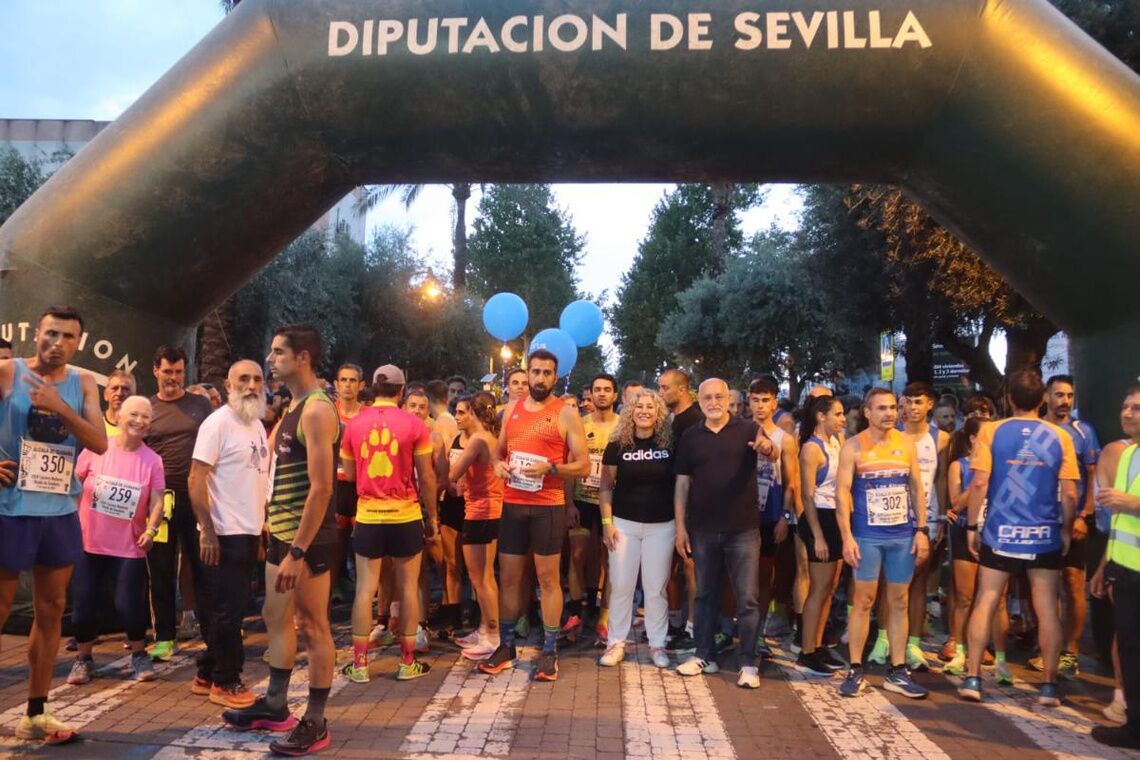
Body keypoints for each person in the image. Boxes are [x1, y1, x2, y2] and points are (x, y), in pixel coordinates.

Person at [222, 325, 339, 756]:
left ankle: (316, 720)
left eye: (278, 353)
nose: (270, 360)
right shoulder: (292, 406)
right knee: (276, 618)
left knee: (313, 626)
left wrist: (297, 551)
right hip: (282, 535)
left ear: (302, 357)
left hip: (306, 542)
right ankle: (275, 704)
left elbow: (323, 488)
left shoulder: (316, 411)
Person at [0, 305, 107, 744]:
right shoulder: (8, 372)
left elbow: (99, 442)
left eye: (66, 336)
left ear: (78, 342)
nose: (56, 342)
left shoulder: (82, 382)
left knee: (50, 610)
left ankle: (36, 713)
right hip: (11, 509)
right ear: (37, 334)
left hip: (59, 512)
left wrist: (59, 406)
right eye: (49, 333)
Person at [958, 368, 1078, 707]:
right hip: (1044, 535)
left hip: (1000, 533)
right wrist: (1066, 530)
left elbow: (979, 483)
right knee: (1046, 608)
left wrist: (971, 527)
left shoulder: (992, 432)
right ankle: (1049, 686)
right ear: (1042, 400)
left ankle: (971, 678)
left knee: (987, 600)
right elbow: (1069, 493)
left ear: (1008, 398)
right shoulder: (1060, 436)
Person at [478, 348, 590, 681]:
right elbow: (498, 453)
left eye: (546, 373)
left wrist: (552, 467)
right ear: (527, 373)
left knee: (548, 580)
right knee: (510, 579)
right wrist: (498, 466)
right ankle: (506, 646)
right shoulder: (511, 408)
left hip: (548, 507)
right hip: (513, 505)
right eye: (535, 371)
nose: (540, 378)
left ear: (555, 377)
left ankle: (549, 650)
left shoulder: (565, 413)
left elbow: (583, 465)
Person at [674, 378, 775, 689]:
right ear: (699, 400)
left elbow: (773, 451)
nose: (714, 402)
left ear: (729, 399)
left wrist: (768, 448)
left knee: (747, 598)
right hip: (702, 529)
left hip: (743, 530)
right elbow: (682, 483)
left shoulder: (747, 429)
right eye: (707, 397)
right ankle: (703, 653)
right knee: (704, 595)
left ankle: (748, 661)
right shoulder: (691, 436)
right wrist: (680, 527)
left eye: (719, 396)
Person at [341, 365, 438, 683]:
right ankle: (406, 662)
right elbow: (425, 476)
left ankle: (359, 665)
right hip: (405, 514)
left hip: (369, 514)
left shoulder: (354, 425)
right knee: (409, 589)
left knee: (364, 590)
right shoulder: (414, 424)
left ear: (371, 388)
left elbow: (351, 475)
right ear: (401, 390)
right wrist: (433, 518)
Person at [836, 388, 929, 699]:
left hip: (902, 536)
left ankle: (898, 670)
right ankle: (856, 669)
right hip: (867, 536)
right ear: (867, 412)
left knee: (899, 600)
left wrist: (922, 530)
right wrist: (846, 537)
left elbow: (916, 488)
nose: (889, 413)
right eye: (881, 408)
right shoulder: (853, 447)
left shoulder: (906, 444)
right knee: (864, 601)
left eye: (892, 407)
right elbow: (841, 495)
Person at [189, 361, 271, 710]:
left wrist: (262, 528)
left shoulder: (256, 425)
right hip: (223, 532)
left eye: (257, 379)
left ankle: (207, 672)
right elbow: (195, 479)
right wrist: (207, 530)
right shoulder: (217, 424)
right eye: (244, 379)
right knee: (229, 611)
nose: (251, 385)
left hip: (248, 530)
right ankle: (226, 682)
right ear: (228, 385)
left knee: (231, 607)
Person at [68, 395, 165, 686]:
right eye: (133, 414)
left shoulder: (152, 460)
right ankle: (83, 660)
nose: (139, 421)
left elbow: (158, 501)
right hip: (88, 543)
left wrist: (151, 530)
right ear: (120, 416)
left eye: (145, 416)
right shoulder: (97, 447)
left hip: (128, 547)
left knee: (128, 606)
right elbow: (74, 481)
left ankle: (139, 655)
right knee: (83, 604)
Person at [868, 382, 948, 672]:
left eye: (920, 402)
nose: (913, 408)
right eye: (909, 402)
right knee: (888, 584)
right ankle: (883, 639)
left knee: (917, 585)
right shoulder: (893, 436)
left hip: (925, 520)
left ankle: (913, 644)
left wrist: (938, 520)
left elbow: (940, 481)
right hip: (893, 521)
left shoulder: (941, 439)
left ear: (930, 405)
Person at [146, 345, 214, 661]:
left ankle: (212, 633)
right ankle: (164, 637)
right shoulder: (146, 408)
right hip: (160, 501)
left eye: (178, 371)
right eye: (167, 371)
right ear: (155, 371)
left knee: (202, 566)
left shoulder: (200, 404)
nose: (173, 377)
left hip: (196, 497)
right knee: (160, 568)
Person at [597, 389, 675, 668]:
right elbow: (605, 487)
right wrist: (607, 524)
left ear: (658, 413)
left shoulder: (670, 443)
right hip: (624, 525)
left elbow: (680, 486)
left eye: (650, 407)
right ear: (630, 410)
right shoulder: (617, 444)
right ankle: (616, 642)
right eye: (639, 406)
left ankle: (657, 644)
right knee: (621, 585)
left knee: (656, 589)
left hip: (662, 526)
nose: (644, 411)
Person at [1030, 375, 1100, 679]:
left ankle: (1071, 652)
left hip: (1074, 523)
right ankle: (1047, 646)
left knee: (1073, 585)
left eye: (1070, 395)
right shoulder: (1035, 430)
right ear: (1046, 397)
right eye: (1059, 395)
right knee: (1043, 587)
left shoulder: (1083, 431)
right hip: (1041, 522)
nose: (1065, 401)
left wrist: (1084, 514)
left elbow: (1093, 475)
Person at [1089, 386, 1140, 749]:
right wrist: (1105, 566)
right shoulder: (1127, 455)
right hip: (1124, 570)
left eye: (1137, 408)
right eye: (1125, 406)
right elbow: (1118, 520)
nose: (1127, 413)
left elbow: (1126, 506)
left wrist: (1131, 502)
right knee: (1131, 651)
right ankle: (1133, 726)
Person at [942, 418, 1012, 684]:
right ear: (972, 439)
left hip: (995, 532)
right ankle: (960, 651)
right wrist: (978, 482)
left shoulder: (1004, 463)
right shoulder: (957, 466)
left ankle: (1002, 660)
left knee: (1000, 601)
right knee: (965, 597)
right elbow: (956, 503)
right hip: (964, 531)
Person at [448, 392, 505, 660]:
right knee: (486, 578)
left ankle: (492, 636)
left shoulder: (479, 440)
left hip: (481, 513)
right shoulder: (490, 438)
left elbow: (451, 474)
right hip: (489, 509)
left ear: (474, 412)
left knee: (480, 578)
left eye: (462, 412)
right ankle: (485, 630)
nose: (458, 417)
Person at [795, 396, 848, 676]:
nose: (843, 419)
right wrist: (817, 536)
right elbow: (807, 494)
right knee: (818, 588)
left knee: (830, 588)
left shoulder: (837, 442)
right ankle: (805, 651)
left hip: (837, 518)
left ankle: (817, 645)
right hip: (820, 519)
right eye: (837, 414)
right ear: (821, 416)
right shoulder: (811, 450)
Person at [748, 377, 800, 654]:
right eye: (755, 400)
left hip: (770, 515)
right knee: (739, 575)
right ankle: (739, 629)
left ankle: (758, 632)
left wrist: (785, 517)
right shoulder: (741, 431)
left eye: (765, 400)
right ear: (749, 402)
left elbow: (792, 482)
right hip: (742, 515)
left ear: (774, 403)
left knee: (765, 575)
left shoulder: (785, 439)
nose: (760, 405)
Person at [565, 373, 619, 639]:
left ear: (615, 395)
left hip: (613, 504)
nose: (601, 394)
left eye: (607, 390)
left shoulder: (624, 427)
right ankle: (575, 613)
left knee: (610, 561)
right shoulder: (579, 424)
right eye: (597, 389)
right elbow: (569, 463)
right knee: (577, 556)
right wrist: (568, 503)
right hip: (582, 501)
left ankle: (605, 617)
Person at [658, 368, 702, 653]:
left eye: (665, 388)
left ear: (682, 389)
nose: (661, 393)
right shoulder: (670, 420)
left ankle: (693, 627)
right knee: (670, 567)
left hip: (691, 505)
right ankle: (675, 622)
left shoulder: (695, 421)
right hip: (667, 502)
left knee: (691, 566)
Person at [332, 363, 365, 602]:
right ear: (336, 384)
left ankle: (365, 593)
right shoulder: (327, 411)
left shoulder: (369, 414)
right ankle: (330, 591)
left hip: (362, 485)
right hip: (334, 483)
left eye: (352, 380)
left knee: (361, 544)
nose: (347, 385)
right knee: (335, 543)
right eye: (343, 380)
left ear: (361, 385)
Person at [102, 369, 137, 437]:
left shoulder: (139, 428)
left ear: (134, 396)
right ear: (105, 395)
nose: (119, 393)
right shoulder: (95, 424)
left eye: (125, 389)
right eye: (115, 388)